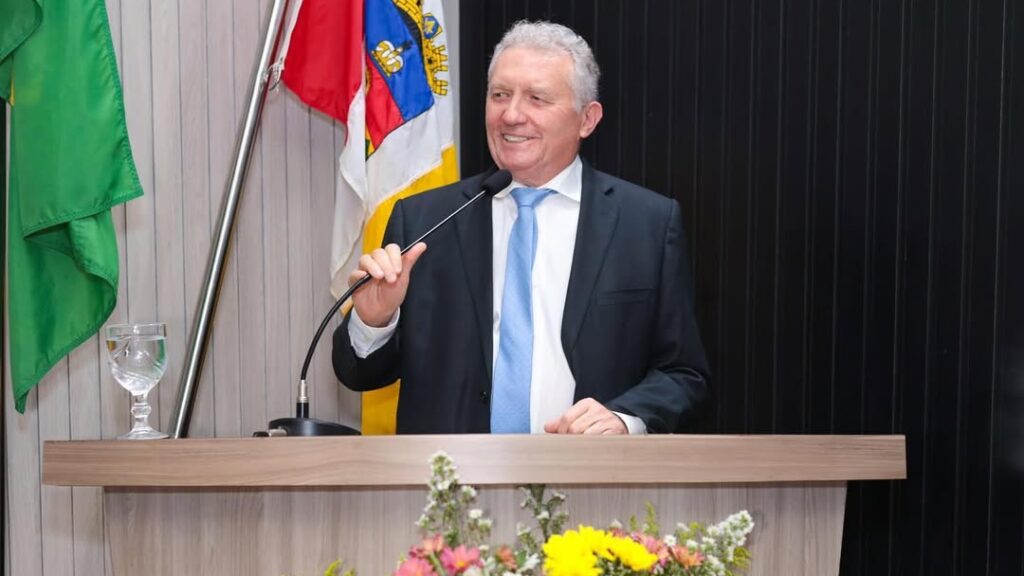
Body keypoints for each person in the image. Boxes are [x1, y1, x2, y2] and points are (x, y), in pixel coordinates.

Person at [333, 20, 708, 434]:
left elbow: (682, 373)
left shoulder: (646, 224)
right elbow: (359, 373)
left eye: (537, 98)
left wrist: (623, 418)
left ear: (587, 119)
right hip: (451, 472)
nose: (511, 115)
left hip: (587, 468)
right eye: (500, 95)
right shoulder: (424, 219)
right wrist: (375, 321)